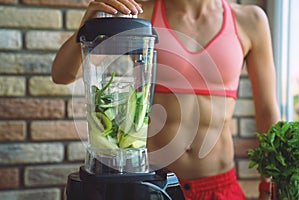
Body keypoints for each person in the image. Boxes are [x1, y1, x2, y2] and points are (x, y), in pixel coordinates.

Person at [52, 0, 280, 199]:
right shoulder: (139, 13)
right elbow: (62, 75)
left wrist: (267, 186)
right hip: (153, 187)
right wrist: (86, 29)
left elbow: (267, 111)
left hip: (220, 188)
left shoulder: (250, 20)